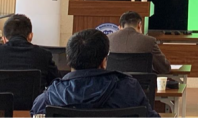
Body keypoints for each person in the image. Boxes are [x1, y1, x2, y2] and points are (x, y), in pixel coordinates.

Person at [31, 29, 160, 118]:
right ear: (104, 61)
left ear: (68, 59)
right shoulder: (129, 88)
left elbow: (35, 113)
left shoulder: (51, 96)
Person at [0, 14, 59, 88]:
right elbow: (57, 85)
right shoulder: (44, 55)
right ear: (30, 36)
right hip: (35, 96)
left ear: (4, 39)